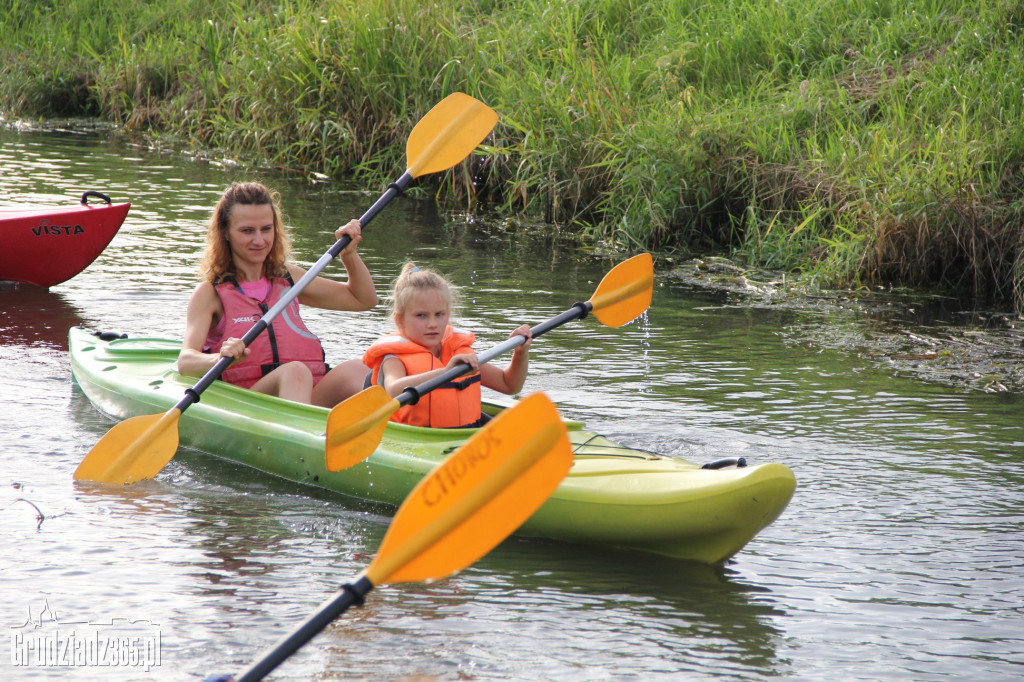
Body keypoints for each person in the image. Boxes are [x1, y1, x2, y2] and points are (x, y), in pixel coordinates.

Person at [178, 181, 378, 406]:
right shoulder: (210, 293)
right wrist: (221, 357)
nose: (259, 240)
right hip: (247, 403)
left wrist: (349, 256)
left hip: (303, 397)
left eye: (266, 229)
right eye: (247, 231)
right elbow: (185, 361)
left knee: (357, 369)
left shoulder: (289, 278)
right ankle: (305, 437)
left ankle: (394, 434)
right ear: (225, 232)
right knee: (294, 372)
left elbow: (363, 300)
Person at [362, 262, 532, 428]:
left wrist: (520, 353)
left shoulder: (457, 351)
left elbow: (509, 385)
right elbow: (394, 390)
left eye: (439, 314)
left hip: (461, 438)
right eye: (421, 315)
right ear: (401, 319)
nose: (432, 323)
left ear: (448, 314)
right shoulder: (394, 358)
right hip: (415, 440)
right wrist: (445, 372)